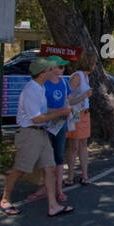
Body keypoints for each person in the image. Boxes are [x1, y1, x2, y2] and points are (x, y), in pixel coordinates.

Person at [0, 57, 73, 216]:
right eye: (48, 69)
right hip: (30, 133)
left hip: (41, 132)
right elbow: (36, 118)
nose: (52, 71)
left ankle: (53, 205)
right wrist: (61, 113)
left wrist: (61, 112)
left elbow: (44, 113)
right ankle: (5, 199)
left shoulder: (40, 88)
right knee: (20, 169)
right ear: (42, 73)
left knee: (50, 168)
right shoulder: (31, 90)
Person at [26, 57, 71, 205]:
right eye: (59, 67)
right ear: (50, 69)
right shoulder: (42, 85)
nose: (62, 70)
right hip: (45, 125)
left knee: (58, 157)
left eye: (63, 68)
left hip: (60, 125)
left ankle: (59, 189)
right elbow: (39, 109)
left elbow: (68, 101)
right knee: (45, 158)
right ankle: (44, 187)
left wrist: (70, 110)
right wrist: (58, 112)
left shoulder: (64, 83)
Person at [64, 68, 92, 185]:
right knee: (74, 146)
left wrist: (86, 96)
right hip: (76, 113)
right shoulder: (77, 76)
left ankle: (84, 175)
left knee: (83, 144)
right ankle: (70, 176)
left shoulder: (87, 76)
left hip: (85, 113)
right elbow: (68, 99)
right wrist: (83, 96)